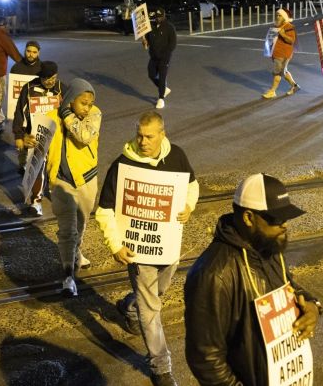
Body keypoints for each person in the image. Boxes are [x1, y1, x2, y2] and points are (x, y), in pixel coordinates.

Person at [184, 173, 322, 385]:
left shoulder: (267, 245)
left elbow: (289, 285)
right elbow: (205, 359)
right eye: (276, 219)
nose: (285, 225)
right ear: (248, 217)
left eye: (286, 217)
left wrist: (311, 305)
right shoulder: (213, 275)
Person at [94, 111, 199, 386]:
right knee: (151, 308)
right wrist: (115, 245)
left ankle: (129, 308)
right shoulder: (122, 165)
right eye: (139, 135)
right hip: (138, 250)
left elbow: (192, 186)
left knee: (155, 295)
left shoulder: (176, 156)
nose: (143, 141)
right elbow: (104, 210)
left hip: (168, 247)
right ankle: (160, 368)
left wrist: (189, 206)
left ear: (162, 134)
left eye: (149, 136)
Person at [45, 78, 101, 296]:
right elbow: (39, 144)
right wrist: (29, 140)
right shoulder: (50, 117)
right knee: (67, 230)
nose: (87, 108)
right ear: (70, 99)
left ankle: (76, 252)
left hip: (86, 180)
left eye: (89, 103)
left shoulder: (95, 114)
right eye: (83, 103)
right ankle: (69, 274)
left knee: (81, 223)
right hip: (60, 182)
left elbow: (84, 137)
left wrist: (67, 115)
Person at [13, 61, 64, 216]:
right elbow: (19, 114)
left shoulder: (62, 89)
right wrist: (19, 136)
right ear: (40, 77)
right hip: (36, 136)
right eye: (46, 78)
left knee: (57, 167)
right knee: (37, 168)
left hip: (57, 137)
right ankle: (36, 202)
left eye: (53, 78)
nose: (50, 81)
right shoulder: (28, 89)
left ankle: (56, 193)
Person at [262, 8, 301, 98]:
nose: (277, 17)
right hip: (277, 53)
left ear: (285, 17)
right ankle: (294, 86)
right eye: (277, 15)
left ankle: (272, 91)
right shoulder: (277, 26)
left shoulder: (289, 27)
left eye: (280, 15)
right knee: (283, 71)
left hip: (283, 54)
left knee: (277, 73)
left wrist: (283, 34)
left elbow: (292, 40)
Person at [142, 9, 177, 109]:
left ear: (164, 16)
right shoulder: (151, 27)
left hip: (164, 57)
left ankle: (161, 98)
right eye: (157, 17)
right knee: (151, 74)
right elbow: (147, 43)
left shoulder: (169, 27)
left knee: (162, 77)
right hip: (153, 57)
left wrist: (165, 54)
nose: (158, 18)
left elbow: (173, 44)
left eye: (160, 16)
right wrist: (144, 42)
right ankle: (164, 89)